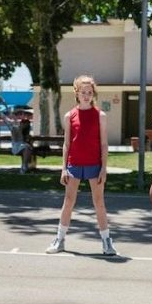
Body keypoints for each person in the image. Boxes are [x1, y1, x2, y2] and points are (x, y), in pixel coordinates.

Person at [46, 75, 117, 256]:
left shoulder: (100, 116)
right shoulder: (69, 116)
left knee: (99, 202)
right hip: (74, 165)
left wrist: (103, 168)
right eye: (83, 92)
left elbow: (103, 144)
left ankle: (107, 242)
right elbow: (67, 144)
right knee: (68, 202)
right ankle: (59, 239)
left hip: (95, 165)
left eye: (89, 92)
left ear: (93, 94)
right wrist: (63, 168)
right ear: (76, 93)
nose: (86, 95)